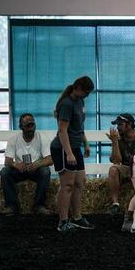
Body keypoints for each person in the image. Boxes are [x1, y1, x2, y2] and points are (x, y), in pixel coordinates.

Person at [51, 76, 94, 233]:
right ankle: (62, 222)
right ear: (77, 87)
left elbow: (79, 127)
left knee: (80, 182)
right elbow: (62, 131)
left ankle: (77, 217)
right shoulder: (66, 104)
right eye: (85, 92)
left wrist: (86, 144)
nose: (86, 96)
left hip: (75, 147)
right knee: (67, 184)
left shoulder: (80, 103)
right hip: (63, 148)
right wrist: (68, 153)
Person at [0, 113, 53, 215]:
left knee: (45, 171)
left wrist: (37, 164)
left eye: (32, 124)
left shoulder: (42, 138)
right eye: (27, 125)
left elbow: (50, 160)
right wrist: (16, 165)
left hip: (35, 170)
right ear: (21, 127)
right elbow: (7, 161)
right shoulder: (13, 139)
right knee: (5, 172)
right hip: (20, 170)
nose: (31, 128)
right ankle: (12, 206)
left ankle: (39, 206)